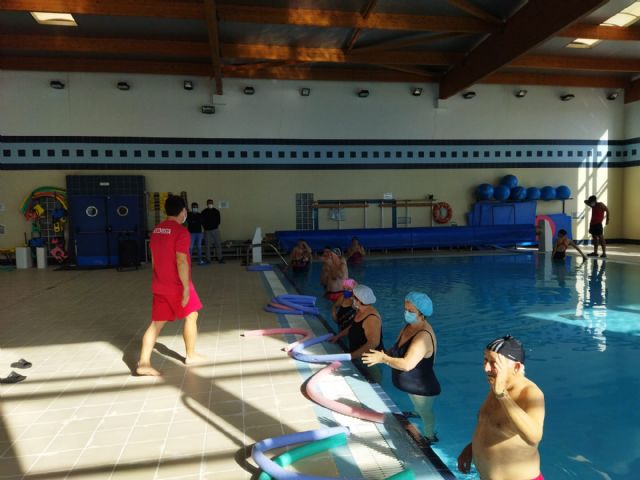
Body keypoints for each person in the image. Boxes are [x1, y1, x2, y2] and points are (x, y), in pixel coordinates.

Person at [136, 195, 207, 376]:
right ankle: (190, 355)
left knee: (156, 324)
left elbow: (154, 259)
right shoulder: (181, 231)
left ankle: (143, 363)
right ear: (182, 211)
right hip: (177, 285)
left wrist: (159, 277)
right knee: (192, 315)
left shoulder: (157, 230)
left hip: (160, 283)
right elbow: (181, 260)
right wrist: (185, 288)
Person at [457, 335, 545, 480]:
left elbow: (533, 437)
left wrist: (502, 396)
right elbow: (491, 426)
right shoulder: (498, 384)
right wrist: (471, 449)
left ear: (516, 367)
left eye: (493, 363)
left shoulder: (531, 394)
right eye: (485, 360)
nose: (486, 368)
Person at [363, 291, 441, 444]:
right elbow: (396, 347)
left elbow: (406, 364)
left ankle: (430, 435)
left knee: (426, 412)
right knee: (417, 405)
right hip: (412, 385)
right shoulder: (409, 326)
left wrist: (383, 359)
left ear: (422, 314)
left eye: (411, 311)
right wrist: (382, 353)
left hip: (423, 388)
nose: (406, 313)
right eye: (405, 309)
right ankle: (416, 412)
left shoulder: (423, 337)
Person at [331, 285, 383, 383]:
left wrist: (351, 356)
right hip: (357, 355)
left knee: (374, 381)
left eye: (353, 296)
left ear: (359, 300)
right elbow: (353, 327)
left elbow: (373, 343)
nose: (351, 298)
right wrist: (338, 336)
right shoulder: (360, 311)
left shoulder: (371, 318)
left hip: (368, 359)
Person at [201, 199, 224, 264]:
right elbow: (202, 221)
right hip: (207, 231)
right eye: (209, 203)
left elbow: (219, 221)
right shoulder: (204, 212)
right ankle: (208, 259)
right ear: (207, 204)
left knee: (218, 244)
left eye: (211, 203)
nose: (210, 204)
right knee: (207, 245)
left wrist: (215, 226)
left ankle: (220, 258)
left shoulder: (216, 211)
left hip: (215, 230)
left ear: (213, 203)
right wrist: (205, 227)